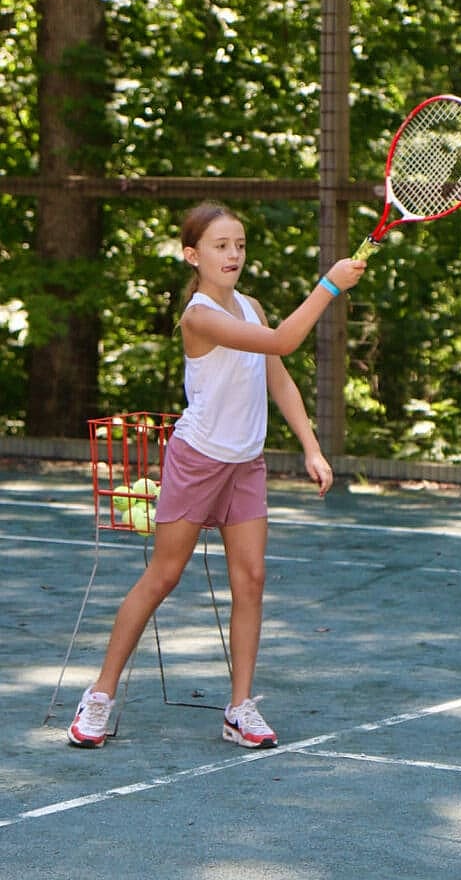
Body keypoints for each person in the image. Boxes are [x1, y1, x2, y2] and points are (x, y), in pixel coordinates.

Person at [67, 201, 365, 750]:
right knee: (163, 577)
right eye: (220, 246)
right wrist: (329, 285)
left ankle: (239, 708)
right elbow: (284, 341)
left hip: (246, 464)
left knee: (250, 581)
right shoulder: (199, 316)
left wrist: (311, 446)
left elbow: (277, 375)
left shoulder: (249, 305)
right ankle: (100, 695)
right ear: (192, 255)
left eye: (240, 245)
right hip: (197, 459)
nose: (233, 254)